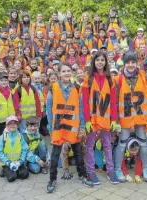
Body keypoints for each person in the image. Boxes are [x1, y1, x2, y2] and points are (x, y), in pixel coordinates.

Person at [46, 62, 93, 193]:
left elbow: (81, 109)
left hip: (73, 128)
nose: (66, 73)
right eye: (64, 71)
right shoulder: (52, 88)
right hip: (58, 128)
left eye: (68, 71)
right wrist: (50, 129)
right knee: (55, 155)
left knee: (78, 153)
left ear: (71, 73)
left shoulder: (77, 88)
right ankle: (52, 179)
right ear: (59, 74)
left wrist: (82, 127)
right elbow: (49, 111)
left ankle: (82, 176)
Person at [81, 51, 119, 185]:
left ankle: (110, 170)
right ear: (94, 62)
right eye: (98, 60)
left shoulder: (111, 79)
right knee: (90, 145)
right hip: (92, 119)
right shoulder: (88, 79)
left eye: (102, 60)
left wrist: (114, 119)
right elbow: (85, 102)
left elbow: (114, 101)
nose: (100, 62)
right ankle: (90, 171)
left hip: (106, 118)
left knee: (107, 145)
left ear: (106, 62)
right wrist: (86, 121)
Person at [114, 52, 147, 183]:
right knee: (122, 143)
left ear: (137, 63)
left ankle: (146, 168)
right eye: (128, 62)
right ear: (124, 64)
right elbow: (115, 99)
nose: (131, 65)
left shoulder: (143, 76)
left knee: (143, 142)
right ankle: (118, 168)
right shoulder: (118, 79)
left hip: (140, 115)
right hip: (125, 116)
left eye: (133, 62)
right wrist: (116, 119)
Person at [0, 115, 29, 182]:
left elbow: (25, 149)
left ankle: (13, 171)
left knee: (25, 175)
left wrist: (21, 161)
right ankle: (6, 170)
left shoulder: (20, 136)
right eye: (10, 123)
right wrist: (8, 163)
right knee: (12, 178)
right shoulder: (3, 137)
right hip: (7, 163)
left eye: (14, 123)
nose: (12, 125)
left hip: (18, 162)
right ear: (6, 125)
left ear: (17, 125)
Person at [0, 72, 20, 139]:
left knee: (12, 136)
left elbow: (16, 104)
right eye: (2, 80)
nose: (4, 82)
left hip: (11, 119)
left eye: (6, 80)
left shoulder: (12, 91)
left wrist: (18, 114)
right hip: (0, 121)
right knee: (2, 137)